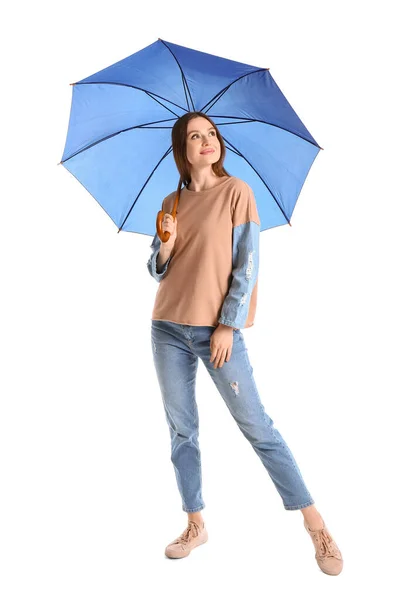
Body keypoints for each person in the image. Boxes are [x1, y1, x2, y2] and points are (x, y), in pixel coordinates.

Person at [147, 112, 343, 575]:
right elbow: (156, 271)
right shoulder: (170, 201)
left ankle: (314, 521)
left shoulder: (237, 193)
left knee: (257, 426)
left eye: (210, 134)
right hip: (167, 327)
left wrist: (228, 325)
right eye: (195, 136)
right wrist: (166, 245)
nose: (205, 141)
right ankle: (195, 522)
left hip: (217, 331)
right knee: (181, 430)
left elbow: (247, 265)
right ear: (183, 148)